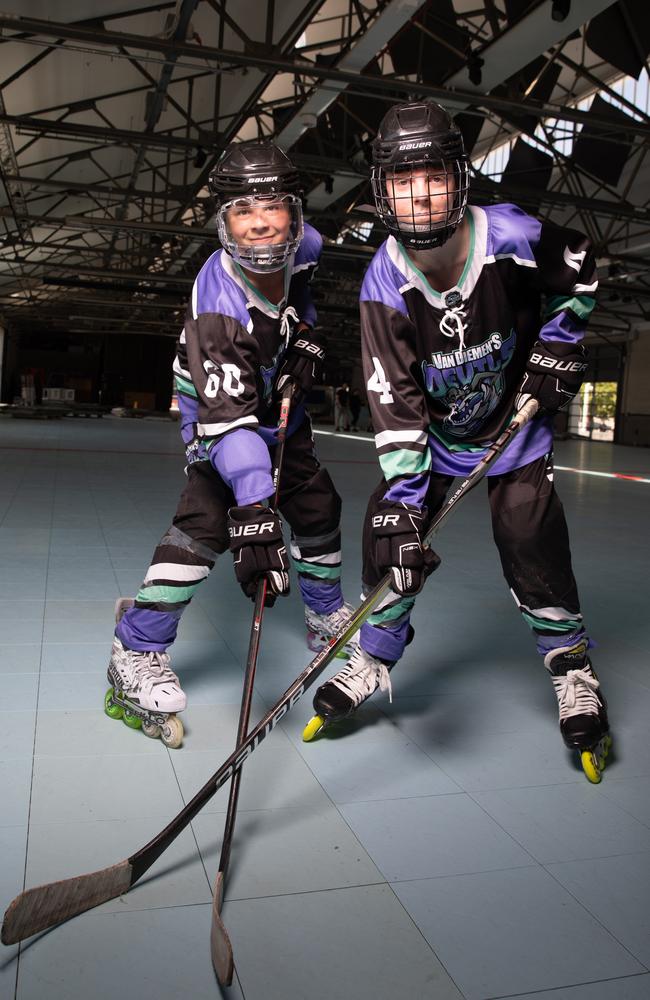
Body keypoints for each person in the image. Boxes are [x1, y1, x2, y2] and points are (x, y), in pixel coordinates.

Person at [307, 100, 610, 781]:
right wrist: (407, 506)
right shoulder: (383, 285)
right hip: (438, 437)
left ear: (459, 178)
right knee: (390, 536)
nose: (419, 193)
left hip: (515, 427)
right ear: (381, 191)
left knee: (529, 535)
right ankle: (375, 651)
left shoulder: (509, 233)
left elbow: (585, 267)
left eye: (433, 174)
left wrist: (559, 344)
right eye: (402, 179)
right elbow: (396, 400)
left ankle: (571, 664)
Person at [105, 140, 354, 747]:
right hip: (220, 415)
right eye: (244, 209)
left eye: (273, 205)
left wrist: (307, 340)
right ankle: (134, 648)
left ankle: (325, 617)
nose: (262, 220)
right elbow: (233, 429)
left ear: (295, 212)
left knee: (317, 504)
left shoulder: (308, 248)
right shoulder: (217, 307)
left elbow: (306, 302)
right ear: (224, 220)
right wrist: (253, 514)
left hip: (276, 404)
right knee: (207, 520)